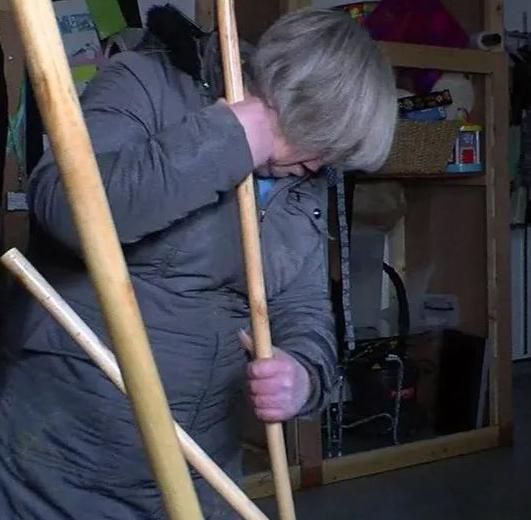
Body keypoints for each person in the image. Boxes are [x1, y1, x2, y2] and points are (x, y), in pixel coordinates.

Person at [0, 6, 396, 518]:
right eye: (321, 140)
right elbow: (66, 210)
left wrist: (303, 375)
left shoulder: (304, 186)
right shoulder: (144, 83)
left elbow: (306, 312)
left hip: (200, 470)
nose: (320, 164)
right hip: (61, 463)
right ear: (289, 94)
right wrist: (227, 139)